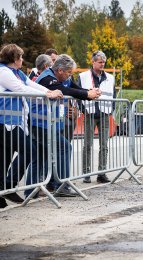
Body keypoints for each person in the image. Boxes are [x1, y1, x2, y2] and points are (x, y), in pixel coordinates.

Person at [26, 54, 101, 198]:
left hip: (48, 124)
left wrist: (91, 92)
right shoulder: (48, 79)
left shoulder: (63, 78)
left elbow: (75, 88)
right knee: (65, 147)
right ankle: (62, 186)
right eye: (68, 73)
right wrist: (87, 94)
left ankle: (31, 191)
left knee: (39, 157)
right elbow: (66, 91)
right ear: (60, 70)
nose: (69, 76)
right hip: (41, 124)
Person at [0, 44, 63, 208]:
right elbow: (20, 88)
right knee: (28, 151)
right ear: (14, 59)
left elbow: (30, 83)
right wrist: (47, 93)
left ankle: (4, 188)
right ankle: (8, 184)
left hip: (13, 123)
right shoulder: (4, 72)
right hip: (6, 122)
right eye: (20, 57)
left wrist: (48, 92)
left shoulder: (16, 72)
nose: (22, 60)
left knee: (4, 157)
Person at [78, 50, 115, 184]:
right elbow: (79, 94)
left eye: (103, 62)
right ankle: (86, 173)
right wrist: (83, 110)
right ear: (93, 62)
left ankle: (102, 173)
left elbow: (113, 95)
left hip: (105, 113)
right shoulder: (83, 76)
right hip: (90, 113)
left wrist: (111, 110)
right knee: (88, 144)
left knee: (104, 145)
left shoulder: (110, 77)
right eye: (99, 62)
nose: (102, 64)